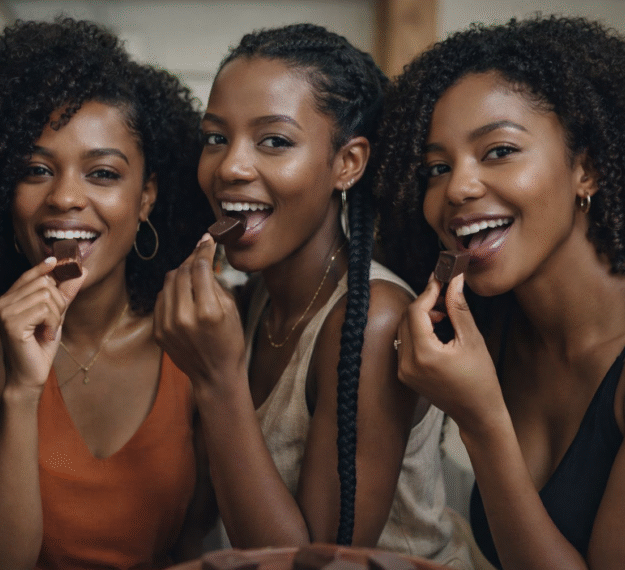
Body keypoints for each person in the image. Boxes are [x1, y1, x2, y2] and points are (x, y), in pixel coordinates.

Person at [154, 23, 473, 567]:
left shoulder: (372, 321)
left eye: (274, 141)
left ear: (346, 164)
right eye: (216, 137)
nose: (230, 166)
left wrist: (217, 380)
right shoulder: (253, 298)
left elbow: (310, 562)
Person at [374, 15, 625, 570]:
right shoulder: (481, 324)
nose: (458, 187)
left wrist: (480, 420)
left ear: (586, 169)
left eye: (498, 151)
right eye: (436, 168)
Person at [0, 18, 215, 570]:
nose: (66, 197)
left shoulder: (192, 335)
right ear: (3, 190)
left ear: (146, 198)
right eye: (35, 169)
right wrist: (21, 390)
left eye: (102, 173)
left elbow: (196, 548)